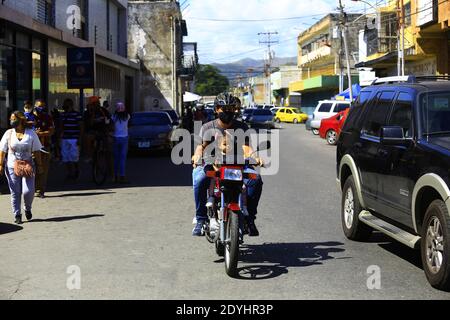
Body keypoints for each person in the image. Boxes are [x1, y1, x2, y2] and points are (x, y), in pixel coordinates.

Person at [191, 93, 263, 237]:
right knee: (199, 179)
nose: (228, 111)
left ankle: (249, 218)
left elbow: (246, 147)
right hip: (213, 165)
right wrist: (197, 155)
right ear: (217, 109)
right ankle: (201, 219)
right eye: (224, 108)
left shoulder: (241, 127)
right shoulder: (207, 127)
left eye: (231, 108)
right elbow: (201, 146)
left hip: (238, 166)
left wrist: (255, 156)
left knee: (256, 180)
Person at [0, 111, 43, 224]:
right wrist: (0, 165)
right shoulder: (8, 133)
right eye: (11, 119)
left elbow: (37, 150)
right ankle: (17, 214)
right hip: (11, 166)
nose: (11, 121)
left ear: (20, 120)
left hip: (28, 165)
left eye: (14, 119)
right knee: (15, 192)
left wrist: (39, 165)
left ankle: (27, 208)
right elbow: (2, 150)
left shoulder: (31, 133)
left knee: (28, 191)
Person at [33, 99, 55, 198]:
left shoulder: (47, 117)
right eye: (39, 106)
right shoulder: (28, 117)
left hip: (44, 147)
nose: (41, 109)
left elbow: (51, 131)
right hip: (31, 148)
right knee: (32, 169)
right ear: (35, 106)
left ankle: (40, 190)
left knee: (43, 169)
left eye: (43, 107)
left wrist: (40, 133)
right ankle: (30, 189)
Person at [60, 98, 83, 181]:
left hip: (74, 138)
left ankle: (76, 170)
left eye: (67, 105)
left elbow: (81, 127)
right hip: (65, 138)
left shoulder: (77, 114)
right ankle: (69, 173)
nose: (65, 107)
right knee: (65, 157)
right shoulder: (62, 115)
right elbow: (61, 126)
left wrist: (80, 138)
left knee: (74, 157)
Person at [83, 96, 111, 162]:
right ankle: (90, 156)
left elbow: (109, 120)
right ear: (92, 104)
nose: (98, 103)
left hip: (103, 131)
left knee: (109, 140)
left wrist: (109, 128)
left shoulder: (103, 110)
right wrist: (92, 113)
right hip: (92, 132)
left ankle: (107, 156)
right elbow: (90, 124)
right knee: (88, 138)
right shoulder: (87, 113)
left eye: (98, 102)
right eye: (96, 102)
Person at [111, 101, 130, 183]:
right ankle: (122, 176)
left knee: (116, 158)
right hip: (124, 138)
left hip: (115, 138)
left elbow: (111, 122)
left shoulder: (114, 117)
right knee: (122, 158)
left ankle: (115, 176)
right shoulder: (127, 116)